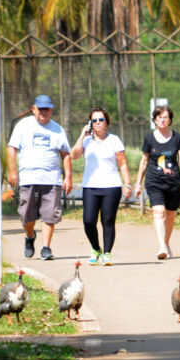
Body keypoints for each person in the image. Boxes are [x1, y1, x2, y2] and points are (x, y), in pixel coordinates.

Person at [7, 95, 72, 261]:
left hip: (51, 179)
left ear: (51, 110)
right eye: (41, 109)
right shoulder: (23, 125)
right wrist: (12, 170)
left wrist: (68, 177)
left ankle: (46, 248)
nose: (44, 112)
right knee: (27, 216)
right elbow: (12, 148)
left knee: (50, 214)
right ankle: (30, 237)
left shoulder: (57, 129)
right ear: (34, 109)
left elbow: (65, 154)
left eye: (47, 109)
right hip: (29, 178)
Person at [69, 107, 133, 266]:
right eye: (94, 120)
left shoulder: (114, 140)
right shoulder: (86, 140)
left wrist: (127, 184)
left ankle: (107, 254)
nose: (98, 123)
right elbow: (74, 155)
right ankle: (96, 248)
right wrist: (81, 136)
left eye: (101, 119)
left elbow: (123, 164)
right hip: (90, 186)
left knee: (108, 221)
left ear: (107, 122)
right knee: (88, 221)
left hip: (111, 186)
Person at [134, 106, 180, 260]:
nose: (162, 119)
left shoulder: (177, 138)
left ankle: (166, 243)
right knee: (159, 212)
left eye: (165, 117)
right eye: (159, 117)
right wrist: (138, 183)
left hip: (173, 183)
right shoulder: (149, 139)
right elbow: (144, 161)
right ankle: (161, 247)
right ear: (154, 120)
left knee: (170, 214)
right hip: (154, 181)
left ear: (170, 120)